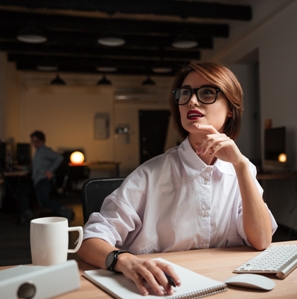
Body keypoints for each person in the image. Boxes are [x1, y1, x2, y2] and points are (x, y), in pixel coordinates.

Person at [77, 62, 278, 296]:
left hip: (225, 287)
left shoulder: (242, 170)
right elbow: (89, 241)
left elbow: (262, 240)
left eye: (206, 93)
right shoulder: (150, 174)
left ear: (231, 108)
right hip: (158, 291)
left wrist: (242, 165)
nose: (192, 101)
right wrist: (125, 261)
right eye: (185, 93)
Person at [30, 130, 74, 221]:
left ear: (42, 141)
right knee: (41, 201)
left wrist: (50, 170)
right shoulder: (38, 152)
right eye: (33, 141)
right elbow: (36, 167)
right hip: (38, 179)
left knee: (44, 200)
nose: (34, 144)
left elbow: (59, 158)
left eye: (36, 141)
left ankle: (63, 210)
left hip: (43, 179)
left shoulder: (45, 151)